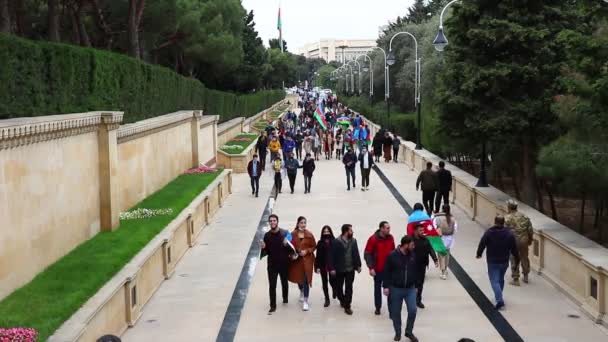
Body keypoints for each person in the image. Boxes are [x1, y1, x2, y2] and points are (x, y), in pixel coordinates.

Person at [476, 215, 520, 310]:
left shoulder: (489, 232)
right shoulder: (509, 234)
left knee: (494, 281)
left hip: (492, 261)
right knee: (500, 279)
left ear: (495, 221)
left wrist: (479, 253)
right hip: (504, 261)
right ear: (503, 222)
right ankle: (498, 295)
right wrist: (517, 259)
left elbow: (482, 243)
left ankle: (499, 300)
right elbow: (514, 249)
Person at [383, 235, 418, 342]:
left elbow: (416, 271)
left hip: (410, 288)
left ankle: (409, 331)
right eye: (412, 245)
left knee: (413, 310)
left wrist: (416, 285)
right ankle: (398, 332)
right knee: (395, 312)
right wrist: (386, 286)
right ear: (405, 245)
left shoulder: (413, 255)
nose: (413, 247)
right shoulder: (392, 255)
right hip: (396, 289)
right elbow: (387, 271)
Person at [260, 214, 294, 313]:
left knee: (284, 282)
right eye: (270, 221)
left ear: (277, 222)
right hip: (272, 265)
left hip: (284, 264)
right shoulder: (267, 235)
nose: (272, 222)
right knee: (272, 285)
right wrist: (263, 247)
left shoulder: (285, 233)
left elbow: (291, 249)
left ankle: (285, 297)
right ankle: (273, 305)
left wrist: (286, 244)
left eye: (274, 220)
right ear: (269, 223)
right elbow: (266, 251)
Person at [330, 224, 362, 315]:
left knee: (349, 287)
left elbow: (356, 253)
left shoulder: (353, 241)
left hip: (350, 269)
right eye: (351, 230)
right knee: (339, 287)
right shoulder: (336, 242)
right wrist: (332, 268)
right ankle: (342, 299)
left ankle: (347, 306)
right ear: (345, 232)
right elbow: (332, 256)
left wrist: (358, 266)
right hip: (339, 269)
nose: (352, 232)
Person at [364, 221, 396, 315]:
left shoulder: (391, 238)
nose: (389, 230)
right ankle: (378, 307)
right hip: (378, 269)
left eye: (389, 228)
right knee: (377, 289)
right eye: (387, 228)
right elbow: (367, 254)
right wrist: (371, 268)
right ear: (381, 228)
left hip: (389, 269)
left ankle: (391, 308)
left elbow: (393, 252)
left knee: (390, 289)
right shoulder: (373, 239)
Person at [288, 216, 317, 311]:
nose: (303, 224)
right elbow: (287, 245)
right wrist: (292, 254)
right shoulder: (292, 234)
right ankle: (301, 290)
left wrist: (307, 251)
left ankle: (305, 301)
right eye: (301, 222)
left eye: (305, 222)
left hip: (307, 260)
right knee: (299, 279)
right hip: (297, 261)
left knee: (306, 280)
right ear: (298, 223)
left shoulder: (309, 234)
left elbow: (314, 246)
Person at [505, 200, 534, 286]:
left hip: (513, 240)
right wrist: (530, 239)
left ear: (509, 207)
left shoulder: (508, 218)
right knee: (524, 257)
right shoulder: (525, 216)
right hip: (524, 240)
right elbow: (530, 230)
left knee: (514, 258)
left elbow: (505, 231)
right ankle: (526, 275)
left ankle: (516, 278)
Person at [412, 223, 438, 309]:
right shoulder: (410, 240)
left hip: (422, 265)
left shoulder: (425, 240)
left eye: (423, 230)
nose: (423, 232)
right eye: (420, 230)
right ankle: (411, 299)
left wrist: (435, 259)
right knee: (413, 284)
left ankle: (418, 300)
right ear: (415, 231)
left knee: (420, 284)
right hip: (412, 265)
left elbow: (430, 249)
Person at [433, 204, 457, 279]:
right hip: (449, 239)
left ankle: (443, 272)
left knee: (440, 255)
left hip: (441, 238)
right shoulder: (452, 218)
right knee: (447, 254)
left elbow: (434, 228)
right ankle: (446, 268)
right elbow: (455, 229)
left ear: (442, 209)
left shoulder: (437, 218)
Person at [315, 225, 337, 307]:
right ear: (322, 233)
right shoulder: (320, 243)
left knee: (332, 281)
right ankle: (327, 299)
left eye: (328, 231)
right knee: (324, 283)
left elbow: (337, 255)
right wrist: (317, 267)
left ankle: (335, 290)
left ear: (330, 232)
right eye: (324, 232)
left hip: (332, 266)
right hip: (323, 265)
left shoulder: (335, 242)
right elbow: (317, 256)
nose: (326, 233)